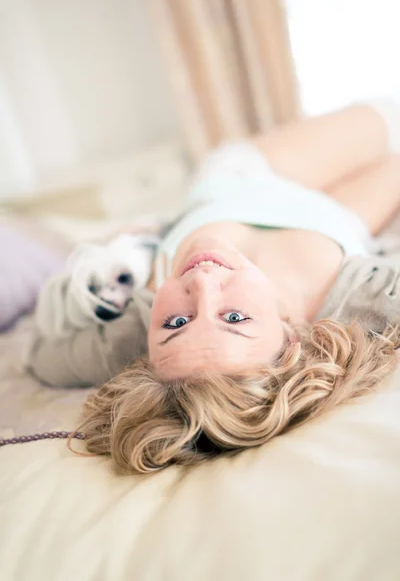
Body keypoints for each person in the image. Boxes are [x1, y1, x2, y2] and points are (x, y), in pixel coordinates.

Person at [27, 102, 400, 473]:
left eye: (175, 323)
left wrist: (102, 265)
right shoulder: (359, 305)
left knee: (382, 119)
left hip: (241, 180)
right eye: (234, 317)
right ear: (290, 339)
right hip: (340, 218)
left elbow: (44, 355)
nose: (202, 283)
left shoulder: (130, 338)